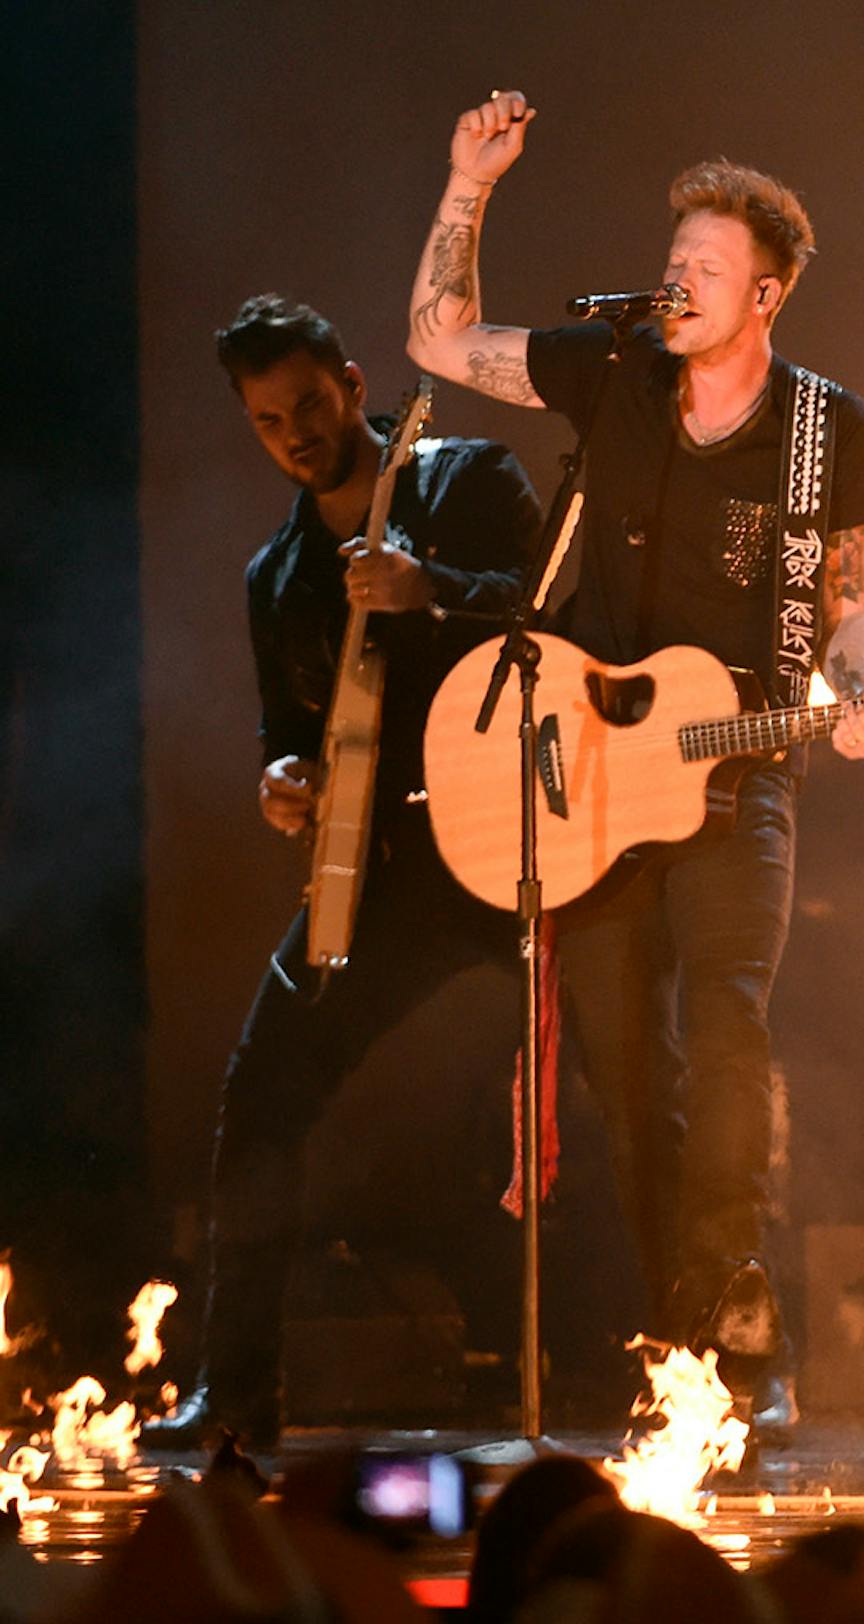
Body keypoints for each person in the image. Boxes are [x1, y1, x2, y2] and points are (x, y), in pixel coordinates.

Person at [406, 89, 864, 1430]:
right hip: (588, 772)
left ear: (769, 295)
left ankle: (728, 1290)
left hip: (744, 768)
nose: (677, 282)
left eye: (707, 269)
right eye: (672, 261)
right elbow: (441, 338)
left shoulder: (824, 430)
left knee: (726, 1018)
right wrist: (470, 185)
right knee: (625, 1077)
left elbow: (851, 605)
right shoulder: (616, 371)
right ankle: (690, 1345)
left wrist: (860, 690)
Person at [148, 296, 540, 1449]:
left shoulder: (469, 481)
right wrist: (284, 780)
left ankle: (688, 1379)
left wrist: (436, 590)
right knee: (262, 1093)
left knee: (617, 1084)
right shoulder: (277, 576)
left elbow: (564, 615)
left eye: (311, 405)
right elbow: (290, 730)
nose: (297, 434)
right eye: (270, 421)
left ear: (356, 383)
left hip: (529, 840)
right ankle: (236, 1391)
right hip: (386, 875)